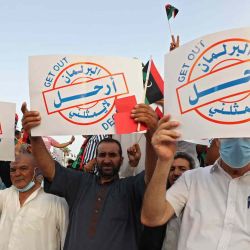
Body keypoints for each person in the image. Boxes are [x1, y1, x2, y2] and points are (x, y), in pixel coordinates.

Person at [21, 102, 158, 250]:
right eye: (102, 155)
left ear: (121, 159)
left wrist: (151, 134)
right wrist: (34, 135)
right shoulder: (80, 183)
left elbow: (153, 177)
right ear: (96, 158)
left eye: (112, 155)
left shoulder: (130, 187)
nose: (106, 160)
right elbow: (49, 169)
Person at [141, 115, 250, 250]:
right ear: (217, 140)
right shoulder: (192, 179)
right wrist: (164, 161)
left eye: (246, 136)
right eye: (230, 136)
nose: (238, 144)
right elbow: (152, 218)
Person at [0, 144, 68, 250]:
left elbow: (67, 241)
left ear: (36, 171)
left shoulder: (57, 201)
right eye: (13, 170)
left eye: (23, 168)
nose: (17, 173)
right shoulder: (5, 196)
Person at [139, 152, 195, 250]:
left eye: (182, 169)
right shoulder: (156, 200)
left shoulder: (197, 203)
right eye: (172, 169)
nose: (176, 173)